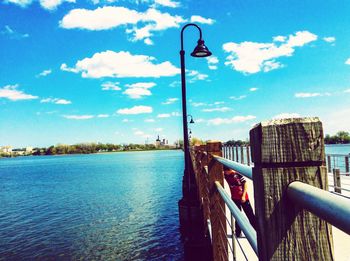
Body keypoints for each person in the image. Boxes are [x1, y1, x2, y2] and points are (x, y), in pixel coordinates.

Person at [223, 166, 256, 237]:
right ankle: (238, 232)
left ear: (229, 170)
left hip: (243, 198)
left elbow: (245, 184)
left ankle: (257, 231)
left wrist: (243, 196)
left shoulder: (237, 175)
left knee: (250, 215)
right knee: (237, 215)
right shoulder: (225, 175)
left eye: (225, 171)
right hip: (235, 198)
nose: (225, 173)